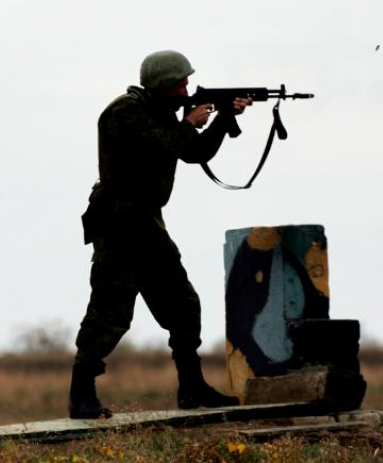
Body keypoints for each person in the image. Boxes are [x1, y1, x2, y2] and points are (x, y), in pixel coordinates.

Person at [69, 50, 252, 419]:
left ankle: (192, 388)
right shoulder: (124, 113)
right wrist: (189, 122)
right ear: (163, 85)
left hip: (147, 225)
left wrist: (223, 118)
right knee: (110, 313)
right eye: (181, 83)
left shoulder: (163, 114)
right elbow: (170, 145)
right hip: (119, 226)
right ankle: (81, 394)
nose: (187, 88)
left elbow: (195, 152)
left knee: (183, 305)